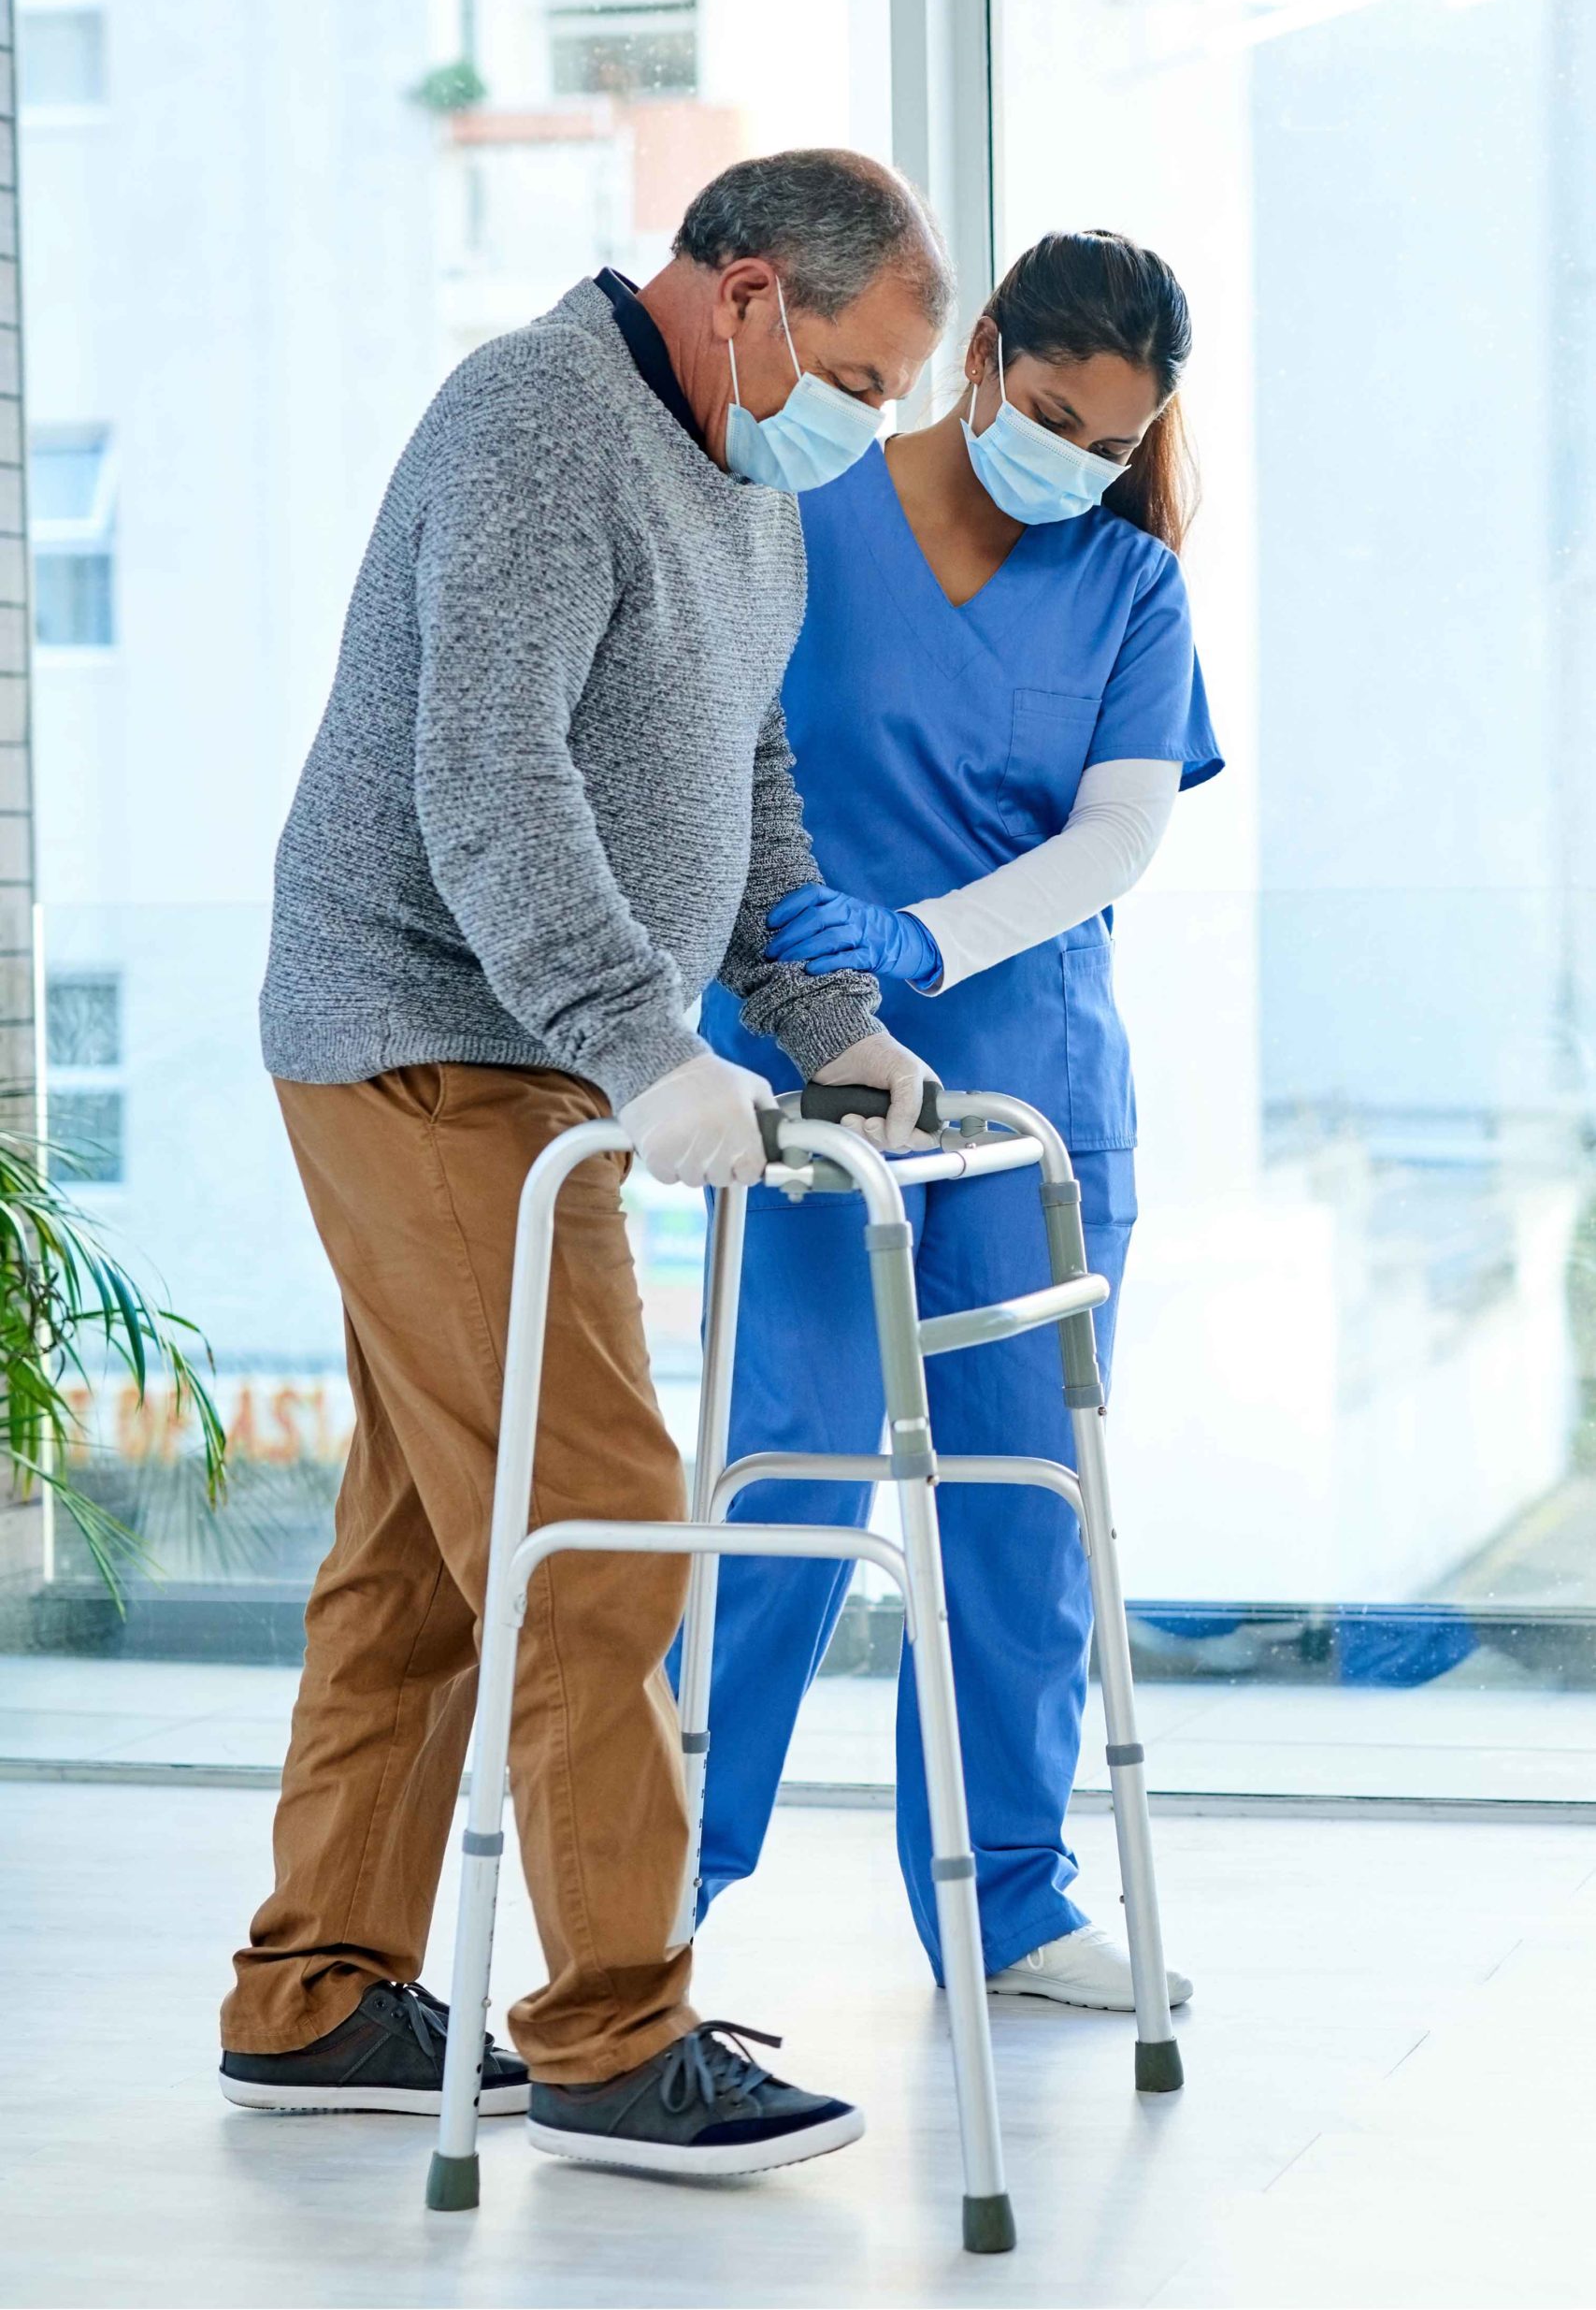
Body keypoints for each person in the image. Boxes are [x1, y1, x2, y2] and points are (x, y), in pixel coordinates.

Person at [218, 150, 952, 2179]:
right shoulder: (536, 421)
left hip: (539, 1054)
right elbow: (488, 781)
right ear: (745, 299)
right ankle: (615, 2033)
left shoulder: (745, 484)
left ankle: (315, 1988)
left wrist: (823, 1023)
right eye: (863, 378)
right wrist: (643, 1045)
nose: (865, 425)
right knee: (599, 1513)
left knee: (427, 1554)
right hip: (424, 1038)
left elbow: (748, 778)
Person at [690, 229, 1222, 2010]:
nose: (1076, 461)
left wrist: (928, 932)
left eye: (1115, 438)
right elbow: (694, 753)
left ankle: (1009, 1903)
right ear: (982, 353)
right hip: (809, 1078)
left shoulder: (1131, 589)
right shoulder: (804, 508)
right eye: (1058, 414)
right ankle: (654, 1892)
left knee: (1020, 1500)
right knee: (795, 1467)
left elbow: (1118, 835)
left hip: (1031, 1090)